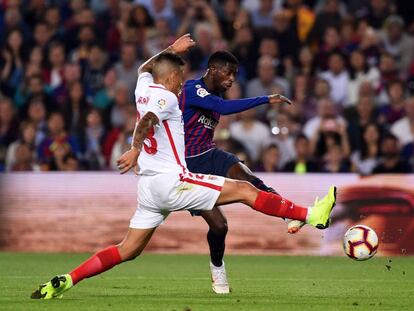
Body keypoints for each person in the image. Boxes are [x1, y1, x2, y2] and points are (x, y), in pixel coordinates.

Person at [31, 35, 336, 300]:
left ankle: (68, 279)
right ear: (171, 78)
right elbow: (150, 119)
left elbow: (144, 68)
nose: (181, 83)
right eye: (178, 77)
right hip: (173, 180)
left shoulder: (143, 86)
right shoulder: (168, 98)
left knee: (128, 250)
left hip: (149, 190)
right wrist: (136, 147)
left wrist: (171, 49)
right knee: (244, 191)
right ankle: (311, 215)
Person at [179, 50, 299, 294]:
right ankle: (217, 268)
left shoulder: (215, 94)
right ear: (213, 69)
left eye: (235, 74)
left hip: (210, 154)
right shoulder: (193, 89)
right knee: (220, 226)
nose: (232, 79)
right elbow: (222, 108)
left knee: (246, 176)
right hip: (187, 167)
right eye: (228, 72)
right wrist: (266, 99)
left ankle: (289, 213)